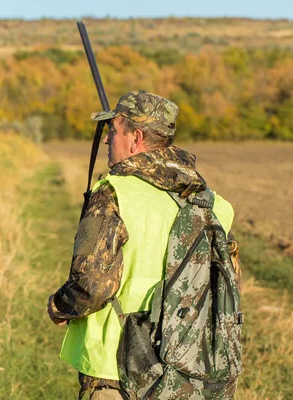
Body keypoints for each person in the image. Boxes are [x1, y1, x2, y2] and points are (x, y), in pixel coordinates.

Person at [47, 90, 241, 399]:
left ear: (136, 138)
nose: (108, 140)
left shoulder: (114, 193)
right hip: (192, 371)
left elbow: (92, 286)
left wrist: (59, 307)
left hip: (117, 371)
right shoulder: (214, 203)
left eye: (113, 131)